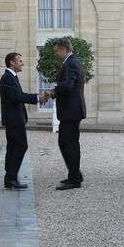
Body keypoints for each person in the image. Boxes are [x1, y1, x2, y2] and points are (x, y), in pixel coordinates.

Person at [45, 38, 86, 191]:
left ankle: (75, 179)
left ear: (63, 49)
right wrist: (54, 92)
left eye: (56, 51)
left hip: (71, 111)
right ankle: (74, 174)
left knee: (70, 145)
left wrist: (54, 88)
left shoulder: (71, 62)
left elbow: (69, 85)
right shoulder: (71, 62)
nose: (55, 54)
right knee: (65, 143)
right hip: (70, 111)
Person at [0, 52, 45, 190]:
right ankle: (11, 178)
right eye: (20, 61)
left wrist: (37, 97)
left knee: (13, 147)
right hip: (14, 120)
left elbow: (18, 96)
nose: (22, 63)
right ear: (12, 63)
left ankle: (10, 177)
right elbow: (17, 97)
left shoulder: (11, 77)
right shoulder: (8, 78)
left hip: (14, 119)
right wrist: (37, 98)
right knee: (20, 146)